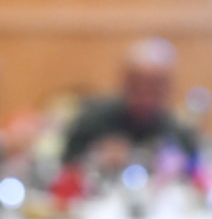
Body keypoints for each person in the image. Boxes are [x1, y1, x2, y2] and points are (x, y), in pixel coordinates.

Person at [61, 38, 199, 169]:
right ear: (125, 82)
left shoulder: (178, 132)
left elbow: (196, 171)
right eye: (138, 84)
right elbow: (67, 163)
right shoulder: (92, 120)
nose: (146, 94)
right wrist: (95, 157)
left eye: (155, 87)